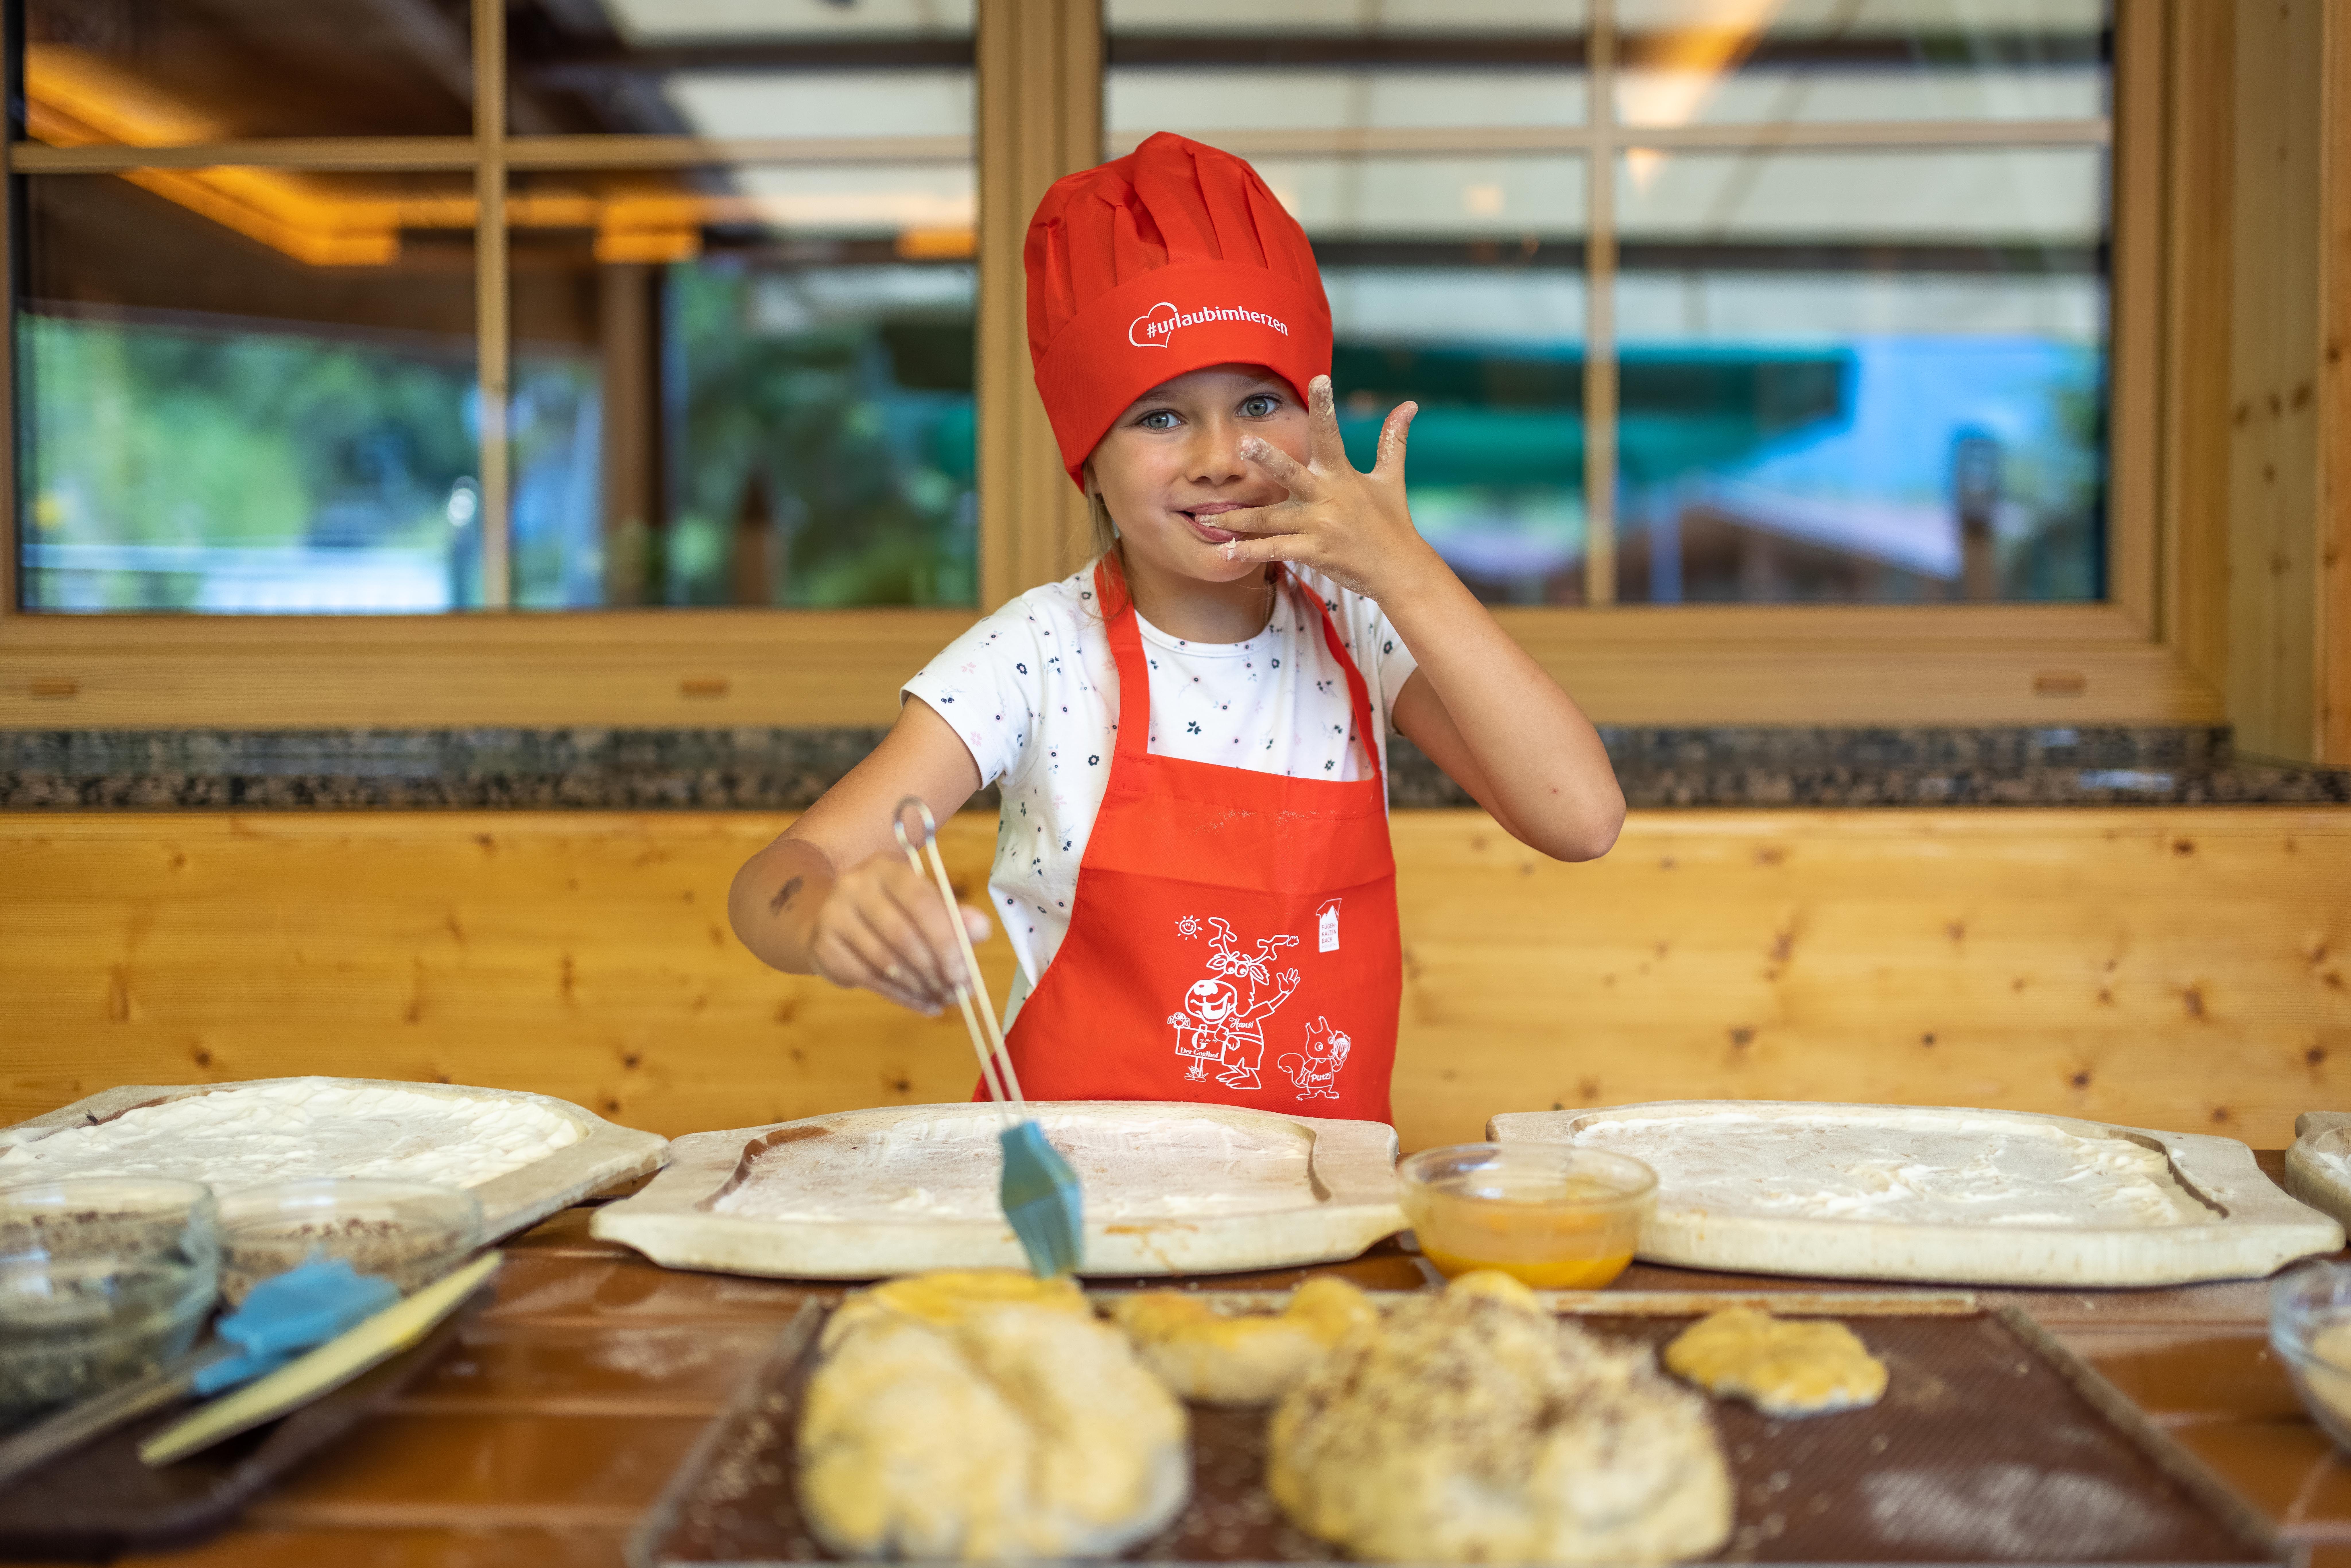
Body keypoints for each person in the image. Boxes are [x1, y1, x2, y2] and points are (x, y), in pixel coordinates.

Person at [727, 132, 1622, 1124]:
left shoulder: (1360, 629)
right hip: (1078, 1223)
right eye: (1160, 418)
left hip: (1314, 1219)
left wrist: (1403, 570)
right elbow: (777, 881)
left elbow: (1580, 819)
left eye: (1258, 403)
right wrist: (828, 919)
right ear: (1090, 457)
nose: (1221, 457)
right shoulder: (1035, 656)